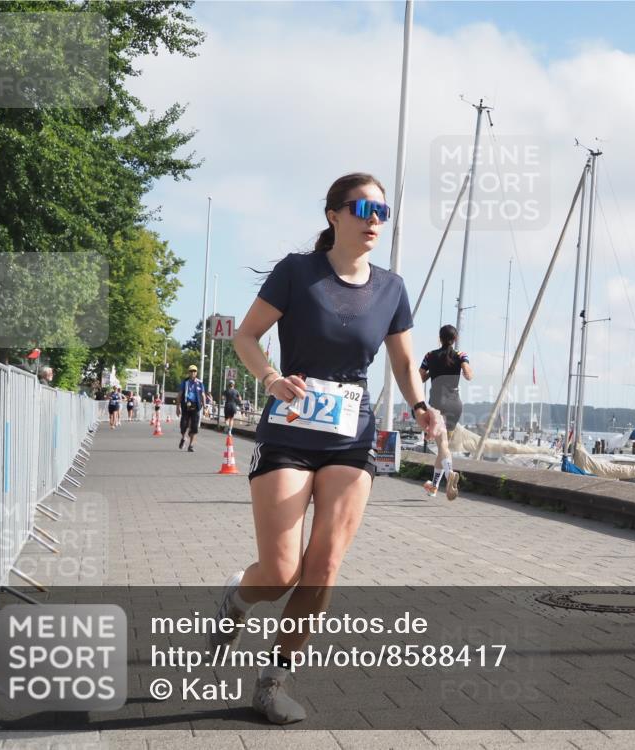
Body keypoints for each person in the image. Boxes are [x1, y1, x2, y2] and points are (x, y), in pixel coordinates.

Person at [223, 172, 441, 724]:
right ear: (333, 215)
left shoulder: (391, 288)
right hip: (289, 431)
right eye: (363, 208)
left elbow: (403, 364)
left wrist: (420, 407)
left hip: (350, 436)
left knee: (323, 568)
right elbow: (245, 336)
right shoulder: (297, 273)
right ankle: (235, 601)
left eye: (382, 212)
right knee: (279, 572)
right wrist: (271, 378)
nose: (374, 219)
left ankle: (272, 684)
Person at [419, 325, 473, 500]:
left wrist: (431, 374)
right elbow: (468, 374)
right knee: (444, 447)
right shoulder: (460, 355)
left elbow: (419, 377)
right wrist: (464, 370)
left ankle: (450, 473)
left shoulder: (430, 356)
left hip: (437, 405)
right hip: (455, 404)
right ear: (455, 339)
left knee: (442, 445)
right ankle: (434, 487)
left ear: (439, 338)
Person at [177, 365, 210, 452]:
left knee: (194, 427)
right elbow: (180, 394)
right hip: (186, 405)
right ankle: (183, 438)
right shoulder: (184, 382)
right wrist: (178, 407)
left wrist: (205, 407)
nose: (193, 373)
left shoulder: (200, 383)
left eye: (194, 371)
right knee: (184, 425)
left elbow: (203, 395)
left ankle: (191, 445)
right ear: (189, 372)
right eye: (191, 371)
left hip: (196, 406)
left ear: (196, 372)